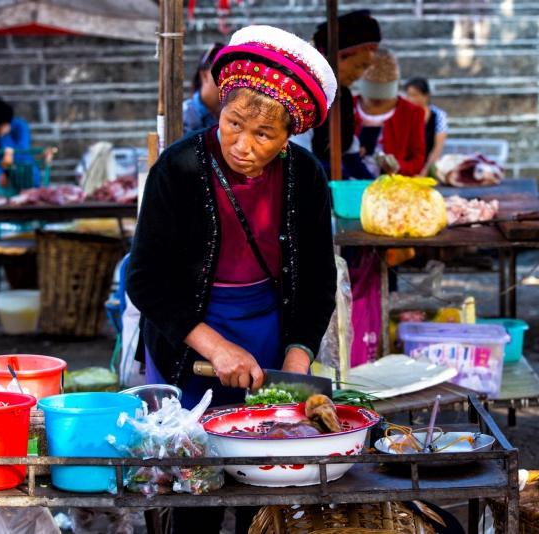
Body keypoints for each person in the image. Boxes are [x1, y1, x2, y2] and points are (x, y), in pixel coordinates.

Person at [127, 25, 338, 533]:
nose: (242, 145)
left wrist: (297, 355)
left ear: (289, 137)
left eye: (263, 135)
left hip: (268, 332)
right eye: (233, 123)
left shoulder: (305, 178)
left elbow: (315, 283)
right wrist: (214, 348)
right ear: (220, 108)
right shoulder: (176, 170)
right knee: (195, 482)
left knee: (263, 483)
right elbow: (146, 279)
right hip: (188, 341)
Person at [298, 9, 381, 178]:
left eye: (365, 68)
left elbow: (351, 156)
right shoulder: (304, 96)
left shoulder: (344, 97)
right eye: (358, 65)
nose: (360, 74)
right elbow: (299, 159)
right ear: (337, 58)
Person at [354, 48, 426, 177]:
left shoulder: (412, 113)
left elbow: (418, 160)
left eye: (383, 96)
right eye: (372, 96)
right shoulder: (345, 108)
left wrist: (397, 166)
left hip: (394, 186)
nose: (377, 103)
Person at [404, 77, 450, 177]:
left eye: (414, 95)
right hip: (406, 168)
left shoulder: (438, 116)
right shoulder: (403, 116)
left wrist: (425, 170)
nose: (410, 99)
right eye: (408, 95)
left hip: (429, 166)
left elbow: (437, 148)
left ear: (426, 96)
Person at [182, 42, 225, 137]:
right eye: (224, 74)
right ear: (205, 75)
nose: (228, 81)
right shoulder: (183, 116)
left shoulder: (230, 114)